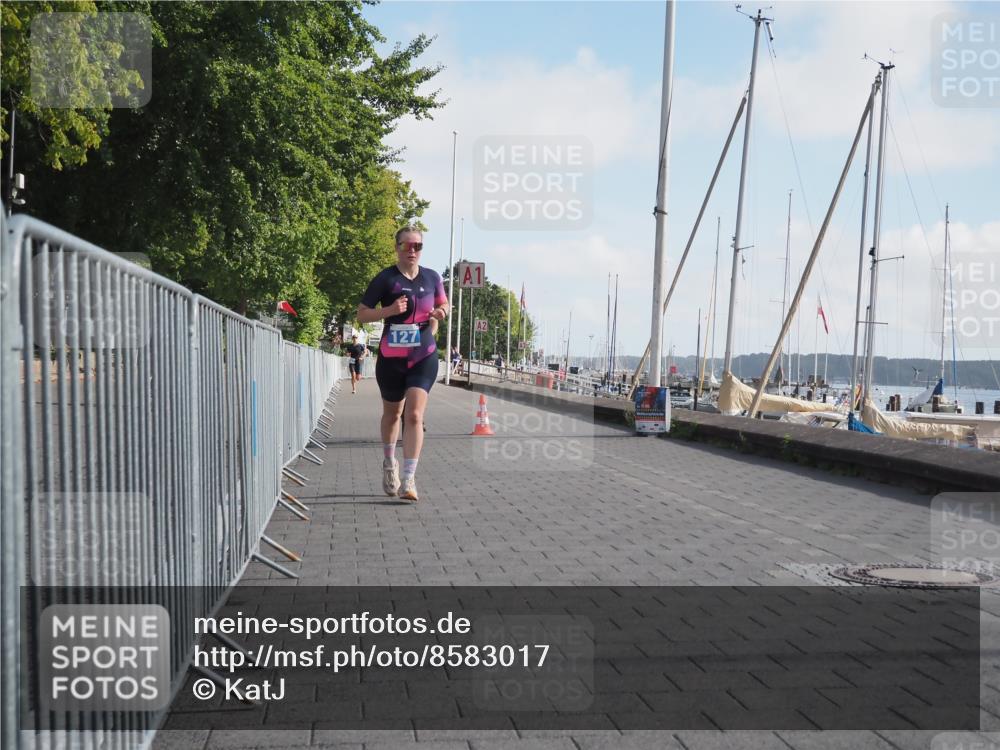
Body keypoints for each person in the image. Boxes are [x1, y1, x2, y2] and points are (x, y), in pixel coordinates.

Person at [357, 226, 448, 502]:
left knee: (415, 416)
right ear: (397, 247)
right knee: (393, 415)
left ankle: (409, 479)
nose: (412, 251)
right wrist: (389, 311)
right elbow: (361, 315)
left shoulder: (432, 277)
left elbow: (444, 305)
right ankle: (389, 464)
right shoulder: (386, 279)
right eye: (407, 245)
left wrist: (439, 313)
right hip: (392, 358)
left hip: (423, 354)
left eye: (417, 246)